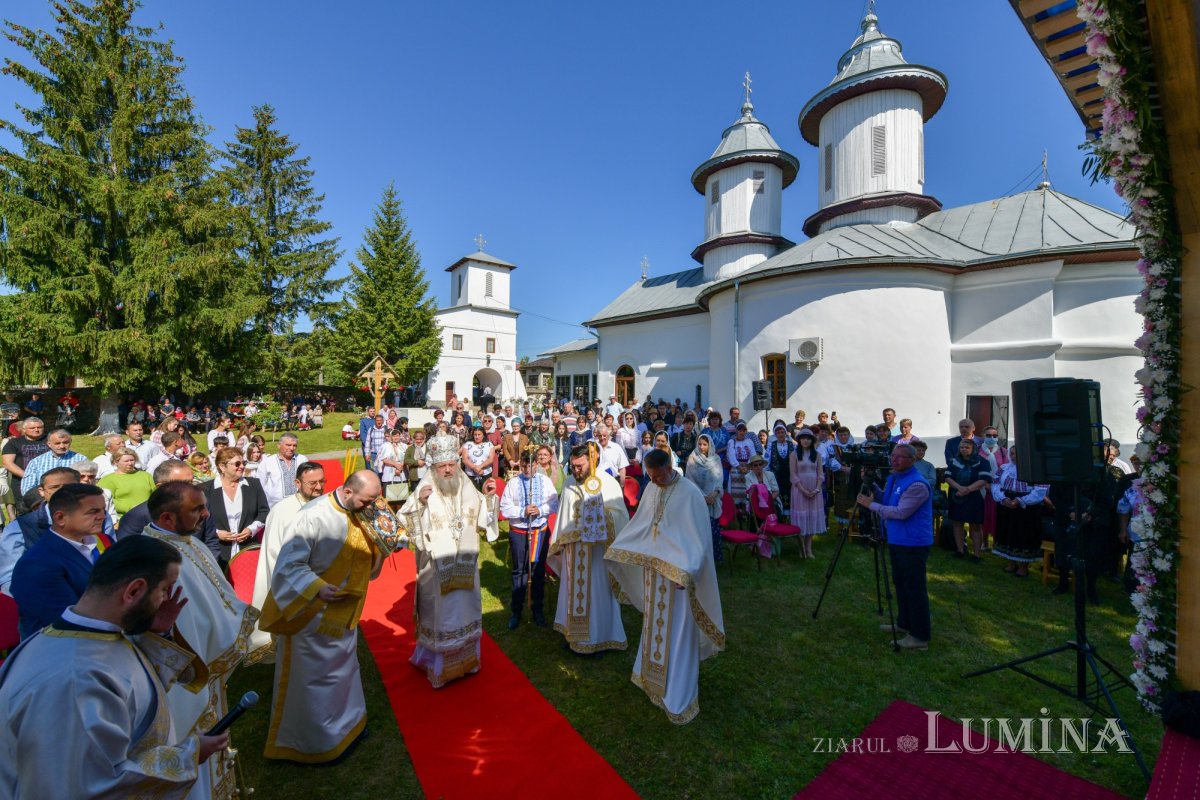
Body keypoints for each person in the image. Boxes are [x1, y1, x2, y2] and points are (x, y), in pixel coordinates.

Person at [0, 535, 229, 798]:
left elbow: (133, 690)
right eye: (165, 589)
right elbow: (87, 786)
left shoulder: (82, 637)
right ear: (133, 591)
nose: (167, 599)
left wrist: (156, 631)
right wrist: (188, 756)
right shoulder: (76, 679)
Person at [259, 470, 385, 762]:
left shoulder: (359, 510)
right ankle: (318, 742)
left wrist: (385, 544)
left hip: (344, 608)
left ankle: (349, 726)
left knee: (345, 671)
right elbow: (289, 566)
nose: (371, 508)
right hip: (310, 614)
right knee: (315, 680)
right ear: (348, 491)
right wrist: (317, 588)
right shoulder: (311, 517)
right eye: (366, 501)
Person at [143, 481, 257, 800]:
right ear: (167, 518)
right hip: (186, 675)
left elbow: (214, 596)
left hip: (207, 660)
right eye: (197, 509)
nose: (206, 514)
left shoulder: (187, 541)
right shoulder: (155, 557)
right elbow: (186, 620)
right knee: (190, 734)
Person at [605, 448, 724, 724]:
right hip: (655, 574)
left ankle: (678, 691)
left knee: (678, 632)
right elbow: (642, 524)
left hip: (678, 580)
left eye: (658, 476)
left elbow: (700, 540)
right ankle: (652, 678)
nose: (654, 481)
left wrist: (688, 572)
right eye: (650, 476)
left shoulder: (690, 494)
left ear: (670, 468)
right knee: (654, 625)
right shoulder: (652, 489)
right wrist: (621, 547)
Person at [398, 436, 498, 688]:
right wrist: (420, 504)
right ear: (433, 466)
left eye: (451, 464)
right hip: (437, 569)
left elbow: (482, 514)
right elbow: (404, 520)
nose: (447, 470)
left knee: (465, 608)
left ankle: (469, 661)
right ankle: (439, 667)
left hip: (465, 564)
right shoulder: (425, 487)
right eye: (442, 466)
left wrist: (488, 497)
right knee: (442, 613)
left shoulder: (465, 484)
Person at [11, 484, 115, 638]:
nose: (102, 516)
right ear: (60, 518)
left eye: (103, 510)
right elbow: (64, 621)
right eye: (92, 512)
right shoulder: (37, 564)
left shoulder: (103, 541)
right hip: (62, 644)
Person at [856, 444, 934, 650]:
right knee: (901, 584)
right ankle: (904, 622)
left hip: (913, 543)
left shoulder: (918, 484)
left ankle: (920, 636)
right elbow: (887, 500)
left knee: (915, 589)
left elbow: (900, 512)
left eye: (900, 457)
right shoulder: (895, 478)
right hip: (897, 540)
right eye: (893, 456)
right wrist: (871, 485)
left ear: (912, 460)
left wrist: (870, 505)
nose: (894, 460)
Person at [249, 461, 327, 658]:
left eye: (322, 481)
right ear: (297, 483)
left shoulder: (325, 505)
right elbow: (275, 554)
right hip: (293, 581)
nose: (319, 487)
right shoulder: (282, 511)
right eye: (312, 483)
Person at [499, 449, 559, 629]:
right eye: (524, 466)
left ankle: (537, 609)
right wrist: (521, 511)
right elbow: (504, 507)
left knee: (538, 571)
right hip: (519, 531)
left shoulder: (545, 481)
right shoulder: (513, 483)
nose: (527, 470)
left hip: (539, 531)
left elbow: (554, 503)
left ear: (537, 465)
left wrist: (540, 510)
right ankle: (516, 611)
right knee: (519, 571)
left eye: (531, 466)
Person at [0, 467, 82, 593]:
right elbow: (9, 578)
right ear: (42, 491)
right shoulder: (21, 527)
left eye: (69, 486)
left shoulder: (98, 518)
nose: (62, 491)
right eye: (54, 487)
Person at [201, 447, 270, 569]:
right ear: (222, 467)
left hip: (248, 551)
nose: (242, 466)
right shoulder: (205, 489)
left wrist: (251, 529)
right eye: (237, 464)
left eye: (243, 463)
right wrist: (216, 533)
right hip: (219, 553)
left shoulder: (254, 485)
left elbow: (264, 512)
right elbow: (199, 519)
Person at [991, 445, 1048, 577]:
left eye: (1017, 453)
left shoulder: (1034, 469)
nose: (1013, 456)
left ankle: (1023, 567)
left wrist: (1021, 500)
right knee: (1008, 532)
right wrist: (1002, 498)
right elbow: (995, 483)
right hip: (1007, 503)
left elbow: (1040, 490)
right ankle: (1011, 563)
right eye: (1011, 453)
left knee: (1024, 534)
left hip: (1027, 507)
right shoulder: (1004, 468)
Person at [946, 438, 992, 561]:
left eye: (967, 447)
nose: (964, 450)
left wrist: (968, 489)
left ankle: (976, 554)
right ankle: (960, 550)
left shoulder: (982, 462)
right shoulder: (954, 461)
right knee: (957, 523)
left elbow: (984, 479)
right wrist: (960, 488)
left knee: (975, 525)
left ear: (973, 449)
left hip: (975, 496)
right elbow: (948, 477)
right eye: (962, 447)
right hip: (957, 495)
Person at [685, 433, 725, 562]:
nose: (702, 447)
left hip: (713, 499)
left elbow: (719, 479)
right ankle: (698, 560)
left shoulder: (716, 459)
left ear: (710, 445)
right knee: (698, 532)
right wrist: (703, 496)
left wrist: (715, 493)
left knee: (712, 531)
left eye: (705, 444)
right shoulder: (692, 459)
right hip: (698, 499)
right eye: (700, 444)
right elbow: (689, 481)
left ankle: (713, 559)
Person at [789, 428, 826, 557]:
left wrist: (817, 488)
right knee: (801, 518)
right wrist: (803, 490)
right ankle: (801, 548)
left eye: (808, 438)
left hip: (815, 490)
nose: (806, 441)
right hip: (799, 490)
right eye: (803, 438)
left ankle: (809, 547)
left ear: (812, 440)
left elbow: (820, 474)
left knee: (811, 516)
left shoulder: (817, 455)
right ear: (799, 440)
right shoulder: (794, 454)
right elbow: (793, 475)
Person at [18, 428, 87, 494]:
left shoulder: (81, 460)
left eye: (65, 442)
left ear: (70, 442)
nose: (62, 446)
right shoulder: (36, 462)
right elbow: (27, 488)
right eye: (57, 443)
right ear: (49, 444)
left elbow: (87, 484)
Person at [2, 417, 48, 508]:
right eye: (32, 428)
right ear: (24, 429)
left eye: (39, 427)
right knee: (25, 510)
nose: (36, 430)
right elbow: (7, 463)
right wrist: (29, 476)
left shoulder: (50, 440)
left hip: (48, 481)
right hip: (22, 482)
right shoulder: (13, 443)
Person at [98, 447, 157, 518]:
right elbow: (104, 500)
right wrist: (128, 507)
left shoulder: (146, 475)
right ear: (116, 462)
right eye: (126, 461)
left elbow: (156, 493)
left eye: (132, 460)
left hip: (149, 515)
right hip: (124, 518)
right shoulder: (108, 480)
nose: (130, 463)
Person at [258, 433, 309, 509]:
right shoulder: (267, 462)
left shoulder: (302, 459)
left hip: (299, 504)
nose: (291, 448)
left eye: (294, 445)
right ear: (279, 445)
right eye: (288, 445)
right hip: (274, 506)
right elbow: (260, 485)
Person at [460, 425, 497, 491]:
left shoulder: (489, 444)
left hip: (485, 474)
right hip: (470, 475)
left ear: (483, 435)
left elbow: (491, 459)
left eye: (479, 435)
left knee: (485, 493)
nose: (477, 437)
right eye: (475, 435)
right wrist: (475, 468)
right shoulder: (467, 444)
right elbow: (464, 459)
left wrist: (480, 467)